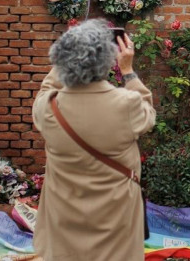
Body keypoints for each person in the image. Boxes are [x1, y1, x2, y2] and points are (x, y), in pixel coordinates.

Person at [32, 20, 156, 260]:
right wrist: (128, 70)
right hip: (116, 220)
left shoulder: (48, 108)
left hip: (63, 222)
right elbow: (147, 113)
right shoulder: (126, 105)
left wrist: (71, 51)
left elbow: (47, 87)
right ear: (108, 60)